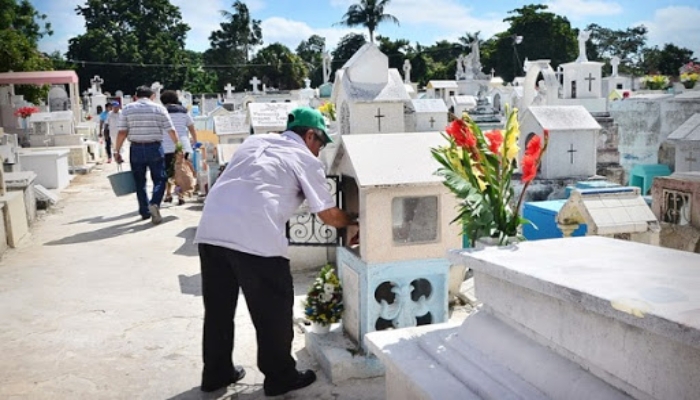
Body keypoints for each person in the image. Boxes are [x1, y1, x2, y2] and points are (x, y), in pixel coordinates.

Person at [193, 107, 358, 395]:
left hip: (211, 230)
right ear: (309, 135)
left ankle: (216, 373)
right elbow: (329, 215)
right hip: (255, 236)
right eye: (320, 143)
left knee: (218, 309)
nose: (319, 151)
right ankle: (281, 376)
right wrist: (355, 220)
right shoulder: (304, 158)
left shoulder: (253, 142)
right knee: (273, 311)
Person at [114, 86, 179, 225]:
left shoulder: (127, 109)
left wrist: (116, 150)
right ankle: (155, 203)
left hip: (136, 147)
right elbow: (171, 130)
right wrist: (178, 146)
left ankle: (144, 211)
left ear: (136, 96)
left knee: (139, 181)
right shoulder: (159, 109)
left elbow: (122, 132)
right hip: (155, 147)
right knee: (160, 179)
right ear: (152, 96)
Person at [160, 90, 198, 205]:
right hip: (182, 145)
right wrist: (195, 141)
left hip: (165, 145)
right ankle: (181, 195)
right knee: (181, 169)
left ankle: (168, 194)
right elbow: (191, 127)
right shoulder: (184, 111)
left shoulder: (161, 111)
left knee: (168, 171)